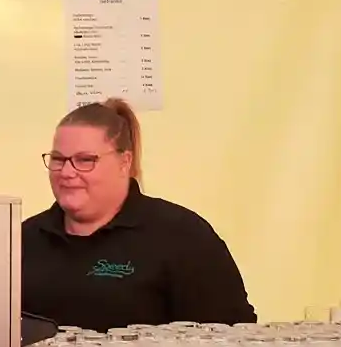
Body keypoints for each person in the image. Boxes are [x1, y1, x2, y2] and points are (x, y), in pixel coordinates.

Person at [21, 97, 254, 331]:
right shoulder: (22, 241)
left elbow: (233, 336)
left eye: (85, 160)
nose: (67, 172)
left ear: (125, 162)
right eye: (58, 159)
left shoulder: (182, 236)